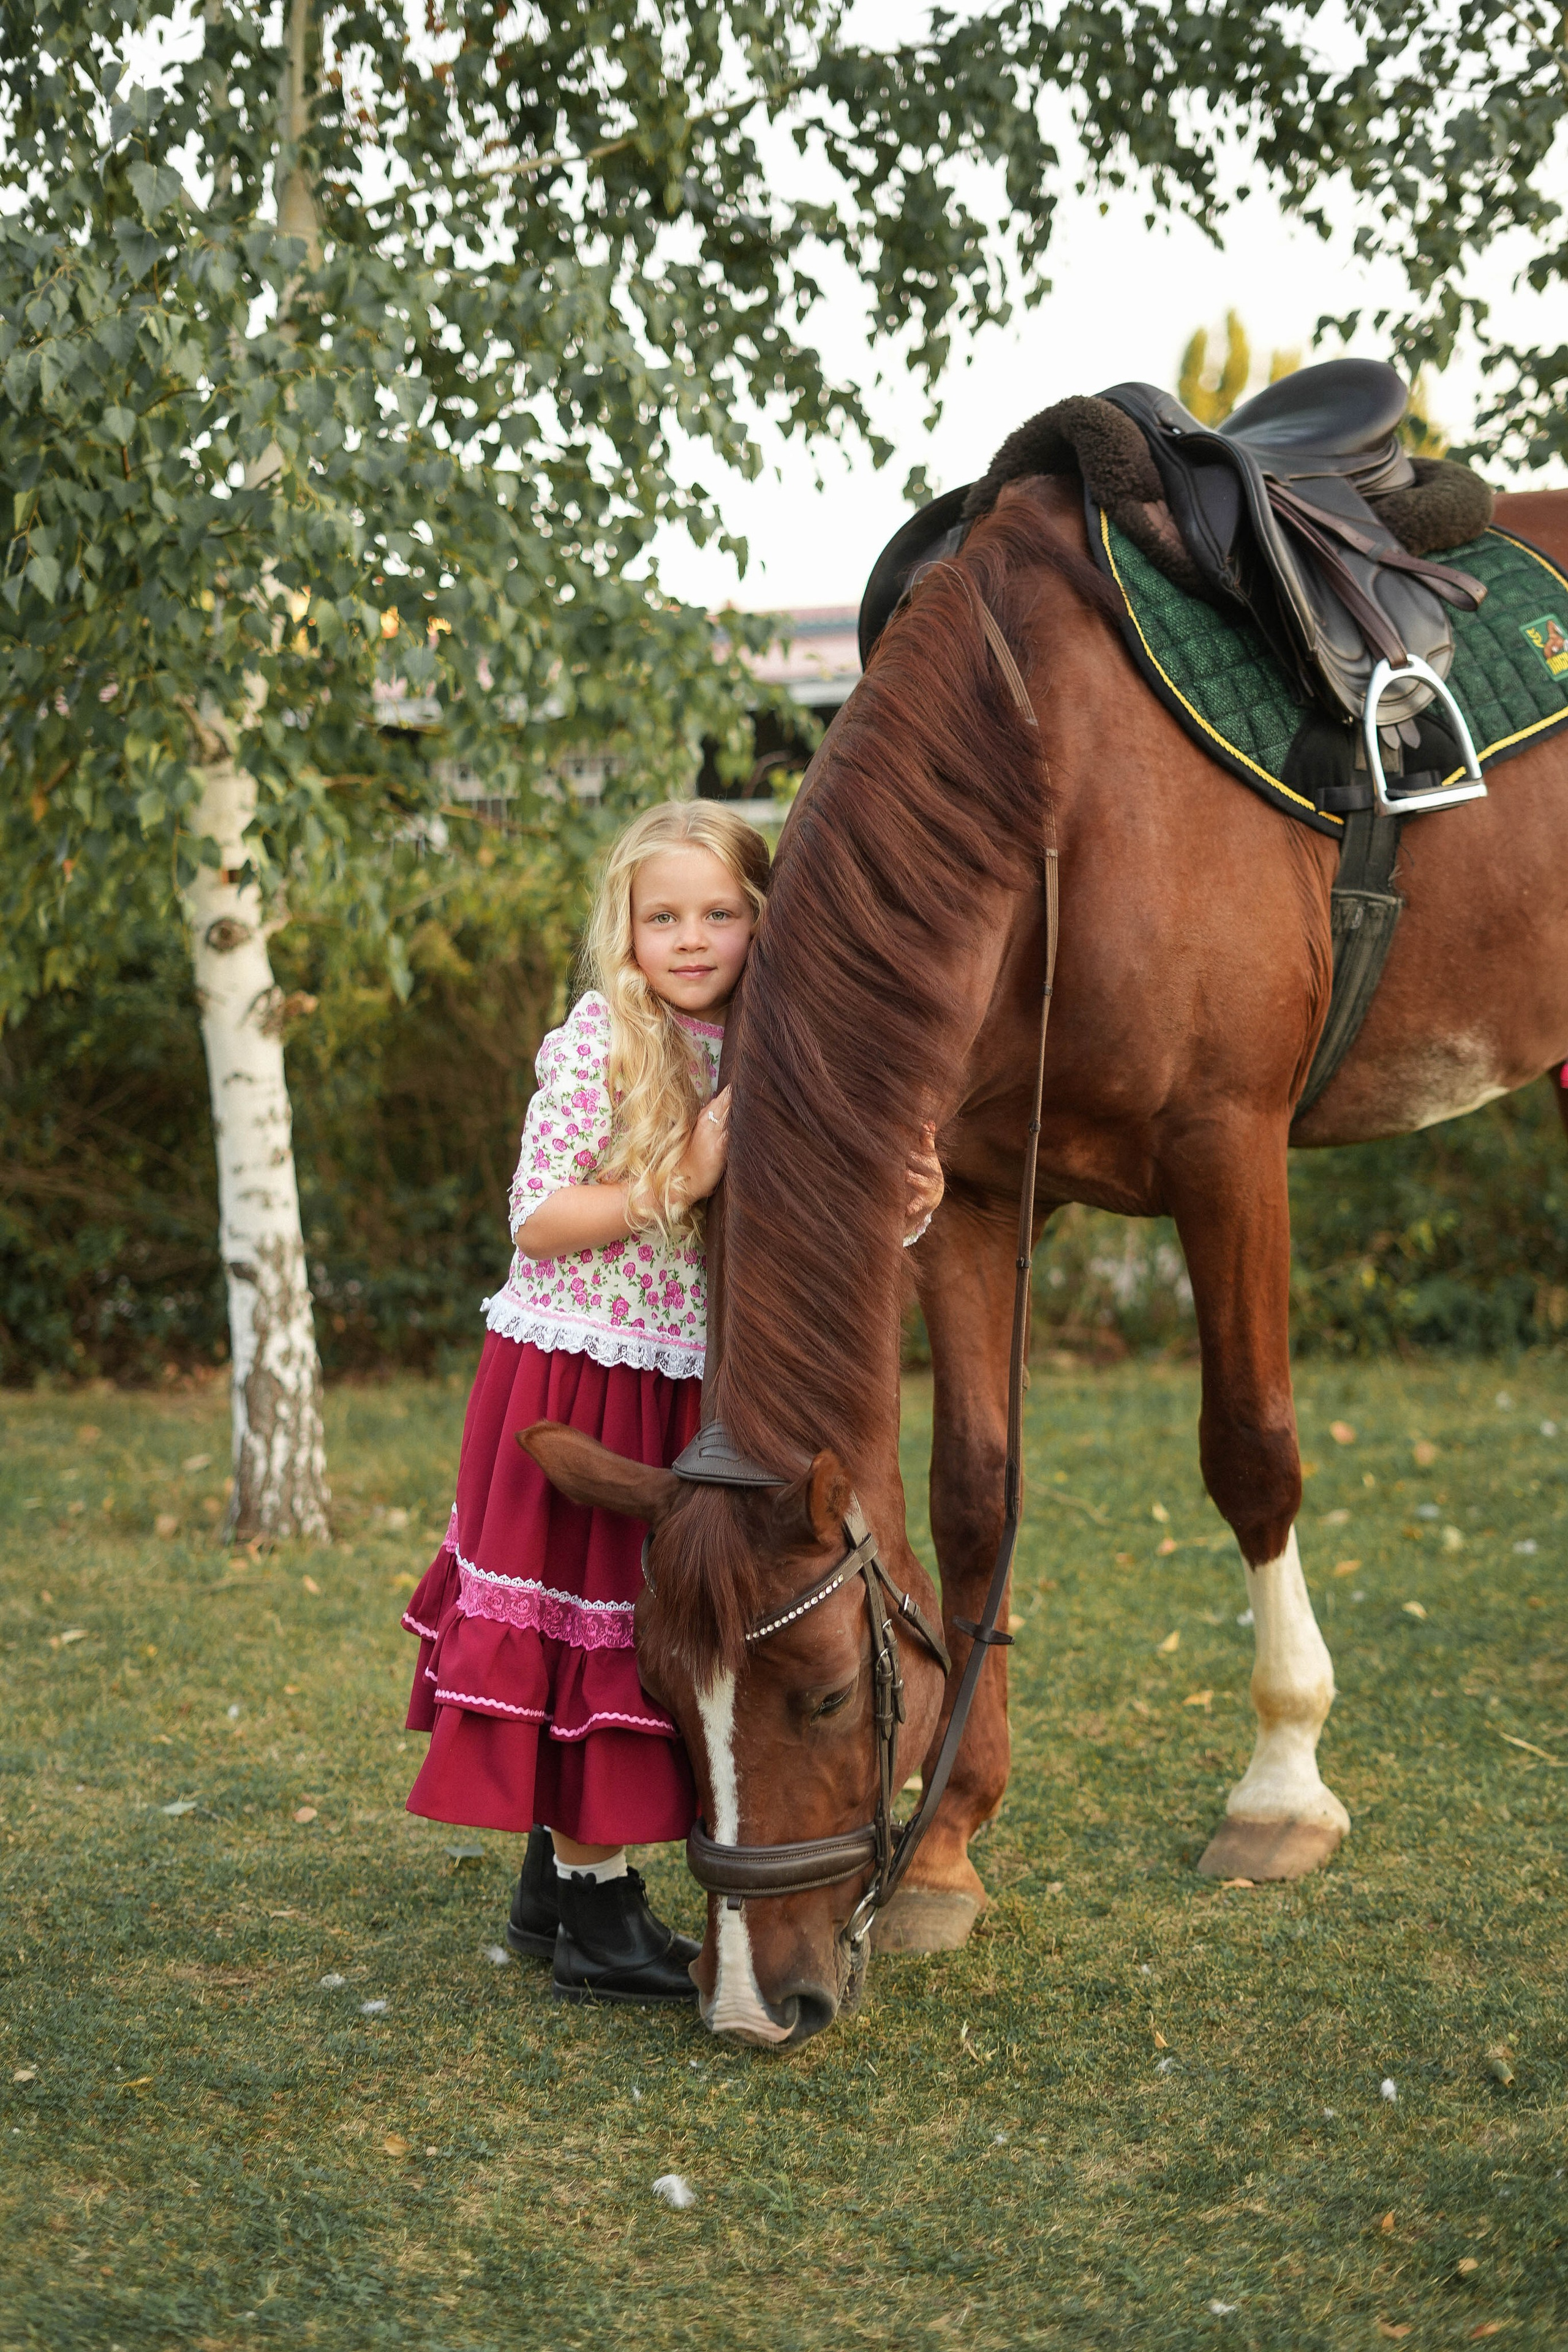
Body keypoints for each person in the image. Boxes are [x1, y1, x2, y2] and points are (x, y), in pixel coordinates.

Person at [400, 799, 770, 2003]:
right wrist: (681, 1179)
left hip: (676, 1376)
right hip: (574, 1372)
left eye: (719, 913)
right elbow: (538, 1217)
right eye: (663, 917)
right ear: (626, 928)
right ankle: (601, 1925)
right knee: (588, 1623)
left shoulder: (766, 1046)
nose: (691, 939)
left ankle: (549, 1889)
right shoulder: (602, 1039)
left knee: (621, 1619)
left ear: (762, 919)